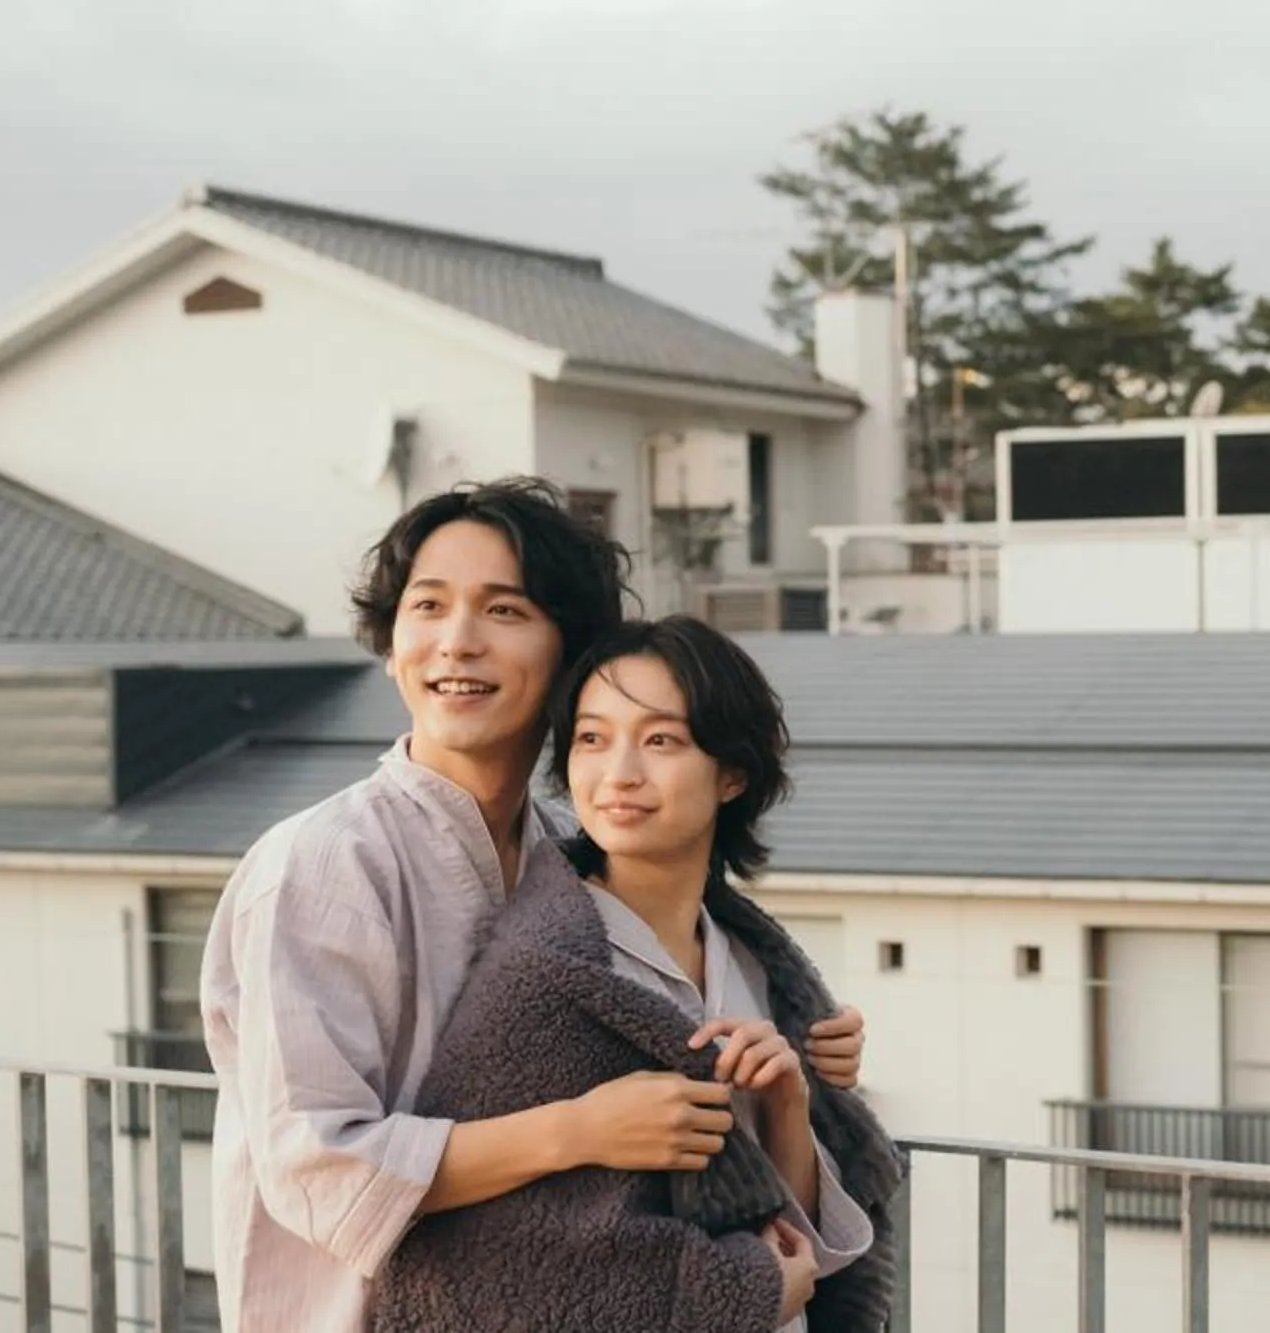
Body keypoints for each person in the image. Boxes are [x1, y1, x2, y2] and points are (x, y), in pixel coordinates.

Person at [201, 480, 869, 1330]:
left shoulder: (568, 845)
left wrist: (801, 1053)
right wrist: (577, 1130)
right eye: (428, 606)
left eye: (504, 611)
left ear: (569, 648)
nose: (456, 643)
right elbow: (316, 1166)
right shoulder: (324, 864)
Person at [370, 618, 900, 1331]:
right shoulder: (545, 975)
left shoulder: (753, 959)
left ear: (732, 773)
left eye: (660, 741)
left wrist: (787, 1104)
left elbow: (809, 1246)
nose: (618, 773)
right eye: (592, 738)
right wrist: (736, 1288)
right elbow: (490, 1261)